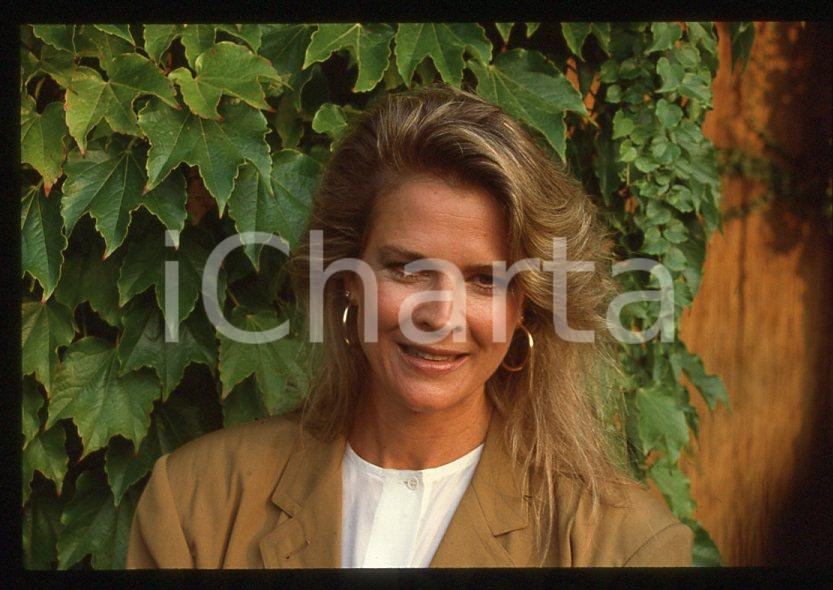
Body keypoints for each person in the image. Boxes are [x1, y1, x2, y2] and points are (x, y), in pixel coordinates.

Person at [126, 83, 693, 568]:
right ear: (347, 276)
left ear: (526, 307)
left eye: (484, 281)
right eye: (405, 268)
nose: (439, 315)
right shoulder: (196, 500)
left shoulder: (622, 545)